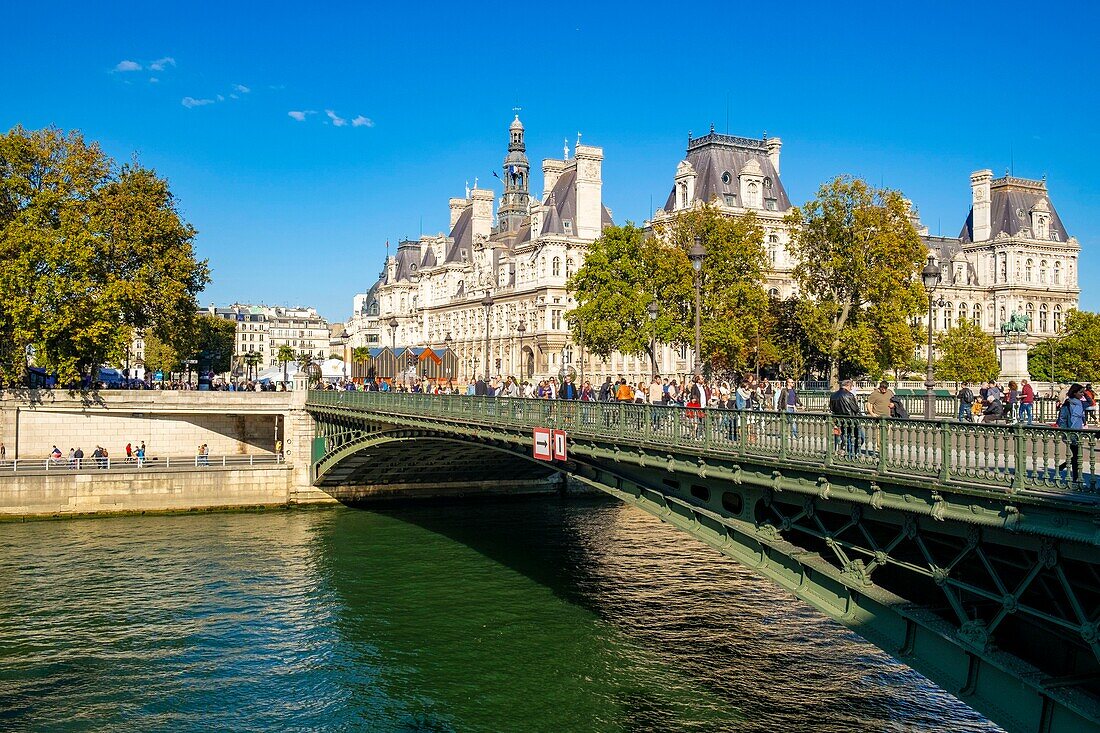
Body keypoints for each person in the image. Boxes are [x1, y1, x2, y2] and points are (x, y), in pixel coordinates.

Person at [1056, 384, 1087, 484]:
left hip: (1078, 431)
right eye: (1080, 392)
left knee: (1077, 455)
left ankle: (1063, 467)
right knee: (1077, 455)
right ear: (1074, 393)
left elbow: (1090, 402)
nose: (1082, 394)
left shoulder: (1080, 403)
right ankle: (1075, 476)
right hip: (1071, 432)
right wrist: (1066, 432)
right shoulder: (1068, 404)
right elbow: (1062, 419)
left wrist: (1084, 393)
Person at [829, 379, 862, 457]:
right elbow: (855, 409)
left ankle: (847, 453)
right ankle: (851, 455)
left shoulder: (833, 395)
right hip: (851, 420)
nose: (851, 388)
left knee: (845, 437)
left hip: (839, 421)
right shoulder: (849, 395)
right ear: (848, 385)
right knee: (859, 437)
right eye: (851, 386)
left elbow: (831, 408)